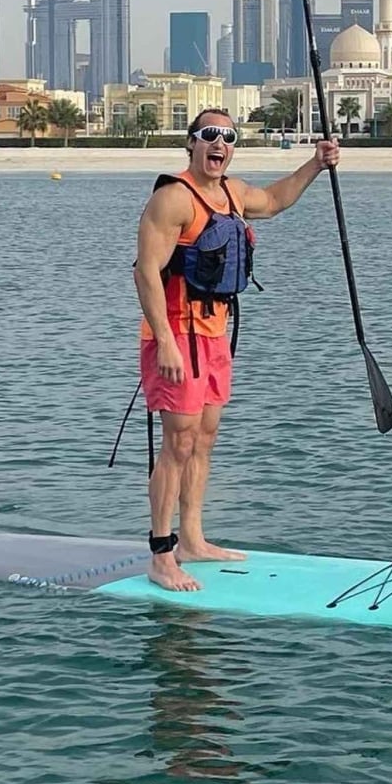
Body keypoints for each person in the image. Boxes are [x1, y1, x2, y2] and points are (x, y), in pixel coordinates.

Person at [133, 109, 340, 592]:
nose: (218, 143)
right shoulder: (172, 199)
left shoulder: (232, 193)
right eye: (209, 135)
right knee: (177, 443)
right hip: (176, 336)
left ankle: (193, 540)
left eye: (227, 137)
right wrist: (164, 339)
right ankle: (161, 555)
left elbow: (273, 200)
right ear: (191, 143)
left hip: (215, 334)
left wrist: (315, 163)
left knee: (203, 439)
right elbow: (144, 273)